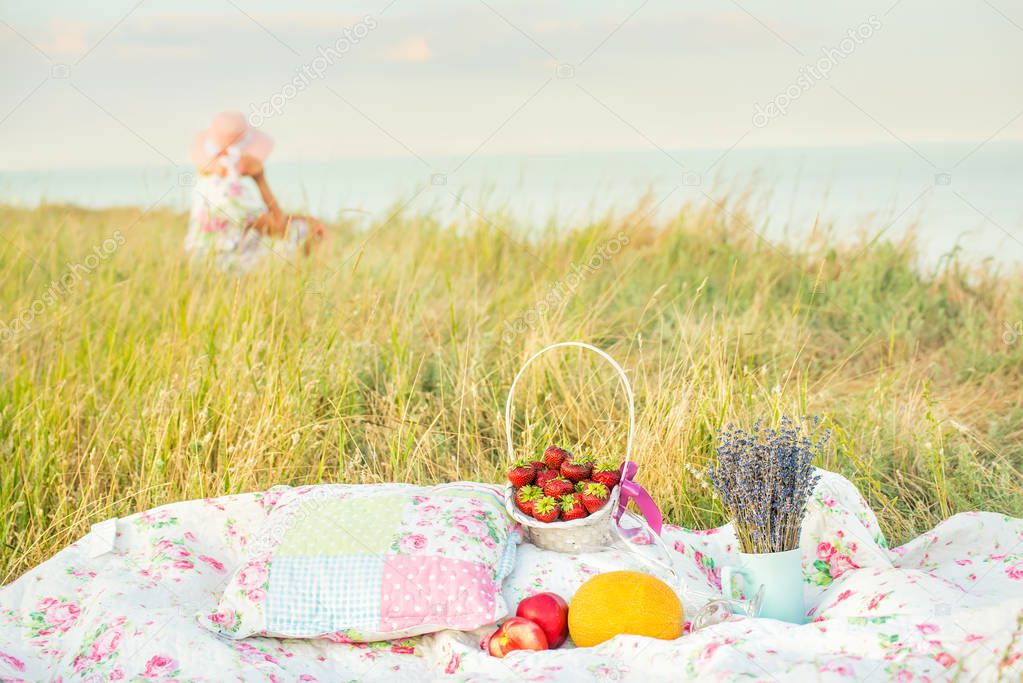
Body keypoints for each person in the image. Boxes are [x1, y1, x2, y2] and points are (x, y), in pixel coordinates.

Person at [185, 111, 325, 271]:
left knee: (301, 225)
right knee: (305, 232)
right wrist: (260, 179)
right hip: (223, 267)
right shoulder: (234, 191)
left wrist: (303, 218)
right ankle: (309, 275)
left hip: (199, 262)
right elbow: (279, 229)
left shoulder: (205, 183)